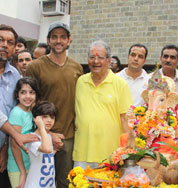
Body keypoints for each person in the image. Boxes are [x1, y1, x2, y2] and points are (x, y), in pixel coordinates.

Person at [25, 21, 83, 188]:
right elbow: (29, 103)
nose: (59, 41)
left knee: (65, 182)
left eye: (63, 37)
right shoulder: (35, 67)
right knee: (42, 181)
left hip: (68, 136)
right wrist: (49, 134)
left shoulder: (77, 68)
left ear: (69, 40)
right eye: (54, 37)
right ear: (48, 40)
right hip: (42, 136)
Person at [73, 40, 133, 169]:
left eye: (100, 57)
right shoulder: (80, 82)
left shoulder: (120, 84)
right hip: (82, 152)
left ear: (108, 60)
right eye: (91, 57)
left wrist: (127, 150)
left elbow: (126, 119)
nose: (96, 61)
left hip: (110, 155)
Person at [7, 77, 39, 188]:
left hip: (29, 164)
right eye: (23, 92)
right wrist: (22, 172)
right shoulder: (17, 113)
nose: (28, 96)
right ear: (17, 95)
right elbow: (15, 144)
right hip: (18, 168)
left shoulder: (31, 111)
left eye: (32, 92)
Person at [0, 24, 21, 187]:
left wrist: (5, 148)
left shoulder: (15, 76)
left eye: (10, 42)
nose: (4, 45)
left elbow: (14, 113)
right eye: (0, 40)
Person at [25, 101, 56, 188]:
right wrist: (42, 128)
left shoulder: (47, 136)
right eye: (44, 117)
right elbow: (46, 149)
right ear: (36, 119)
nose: (49, 120)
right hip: (35, 184)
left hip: (48, 183)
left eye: (52, 117)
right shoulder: (32, 138)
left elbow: (47, 155)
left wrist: (56, 150)